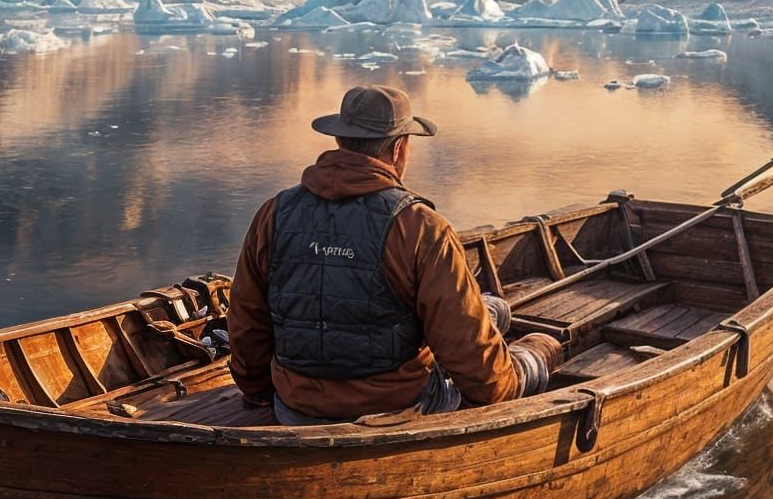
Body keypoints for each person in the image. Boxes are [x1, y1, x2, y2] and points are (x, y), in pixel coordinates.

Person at [227, 84, 565, 424]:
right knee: (541, 347)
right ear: (400, 148)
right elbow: (477, 369)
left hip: (295, 408)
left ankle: (493, 312)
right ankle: (524, 337)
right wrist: (517, 375)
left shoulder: (274, 214)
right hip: (397, 407)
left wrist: (257, 392)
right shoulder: (420, 226)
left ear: (341, 140)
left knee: (491, 311)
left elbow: (246, 321)